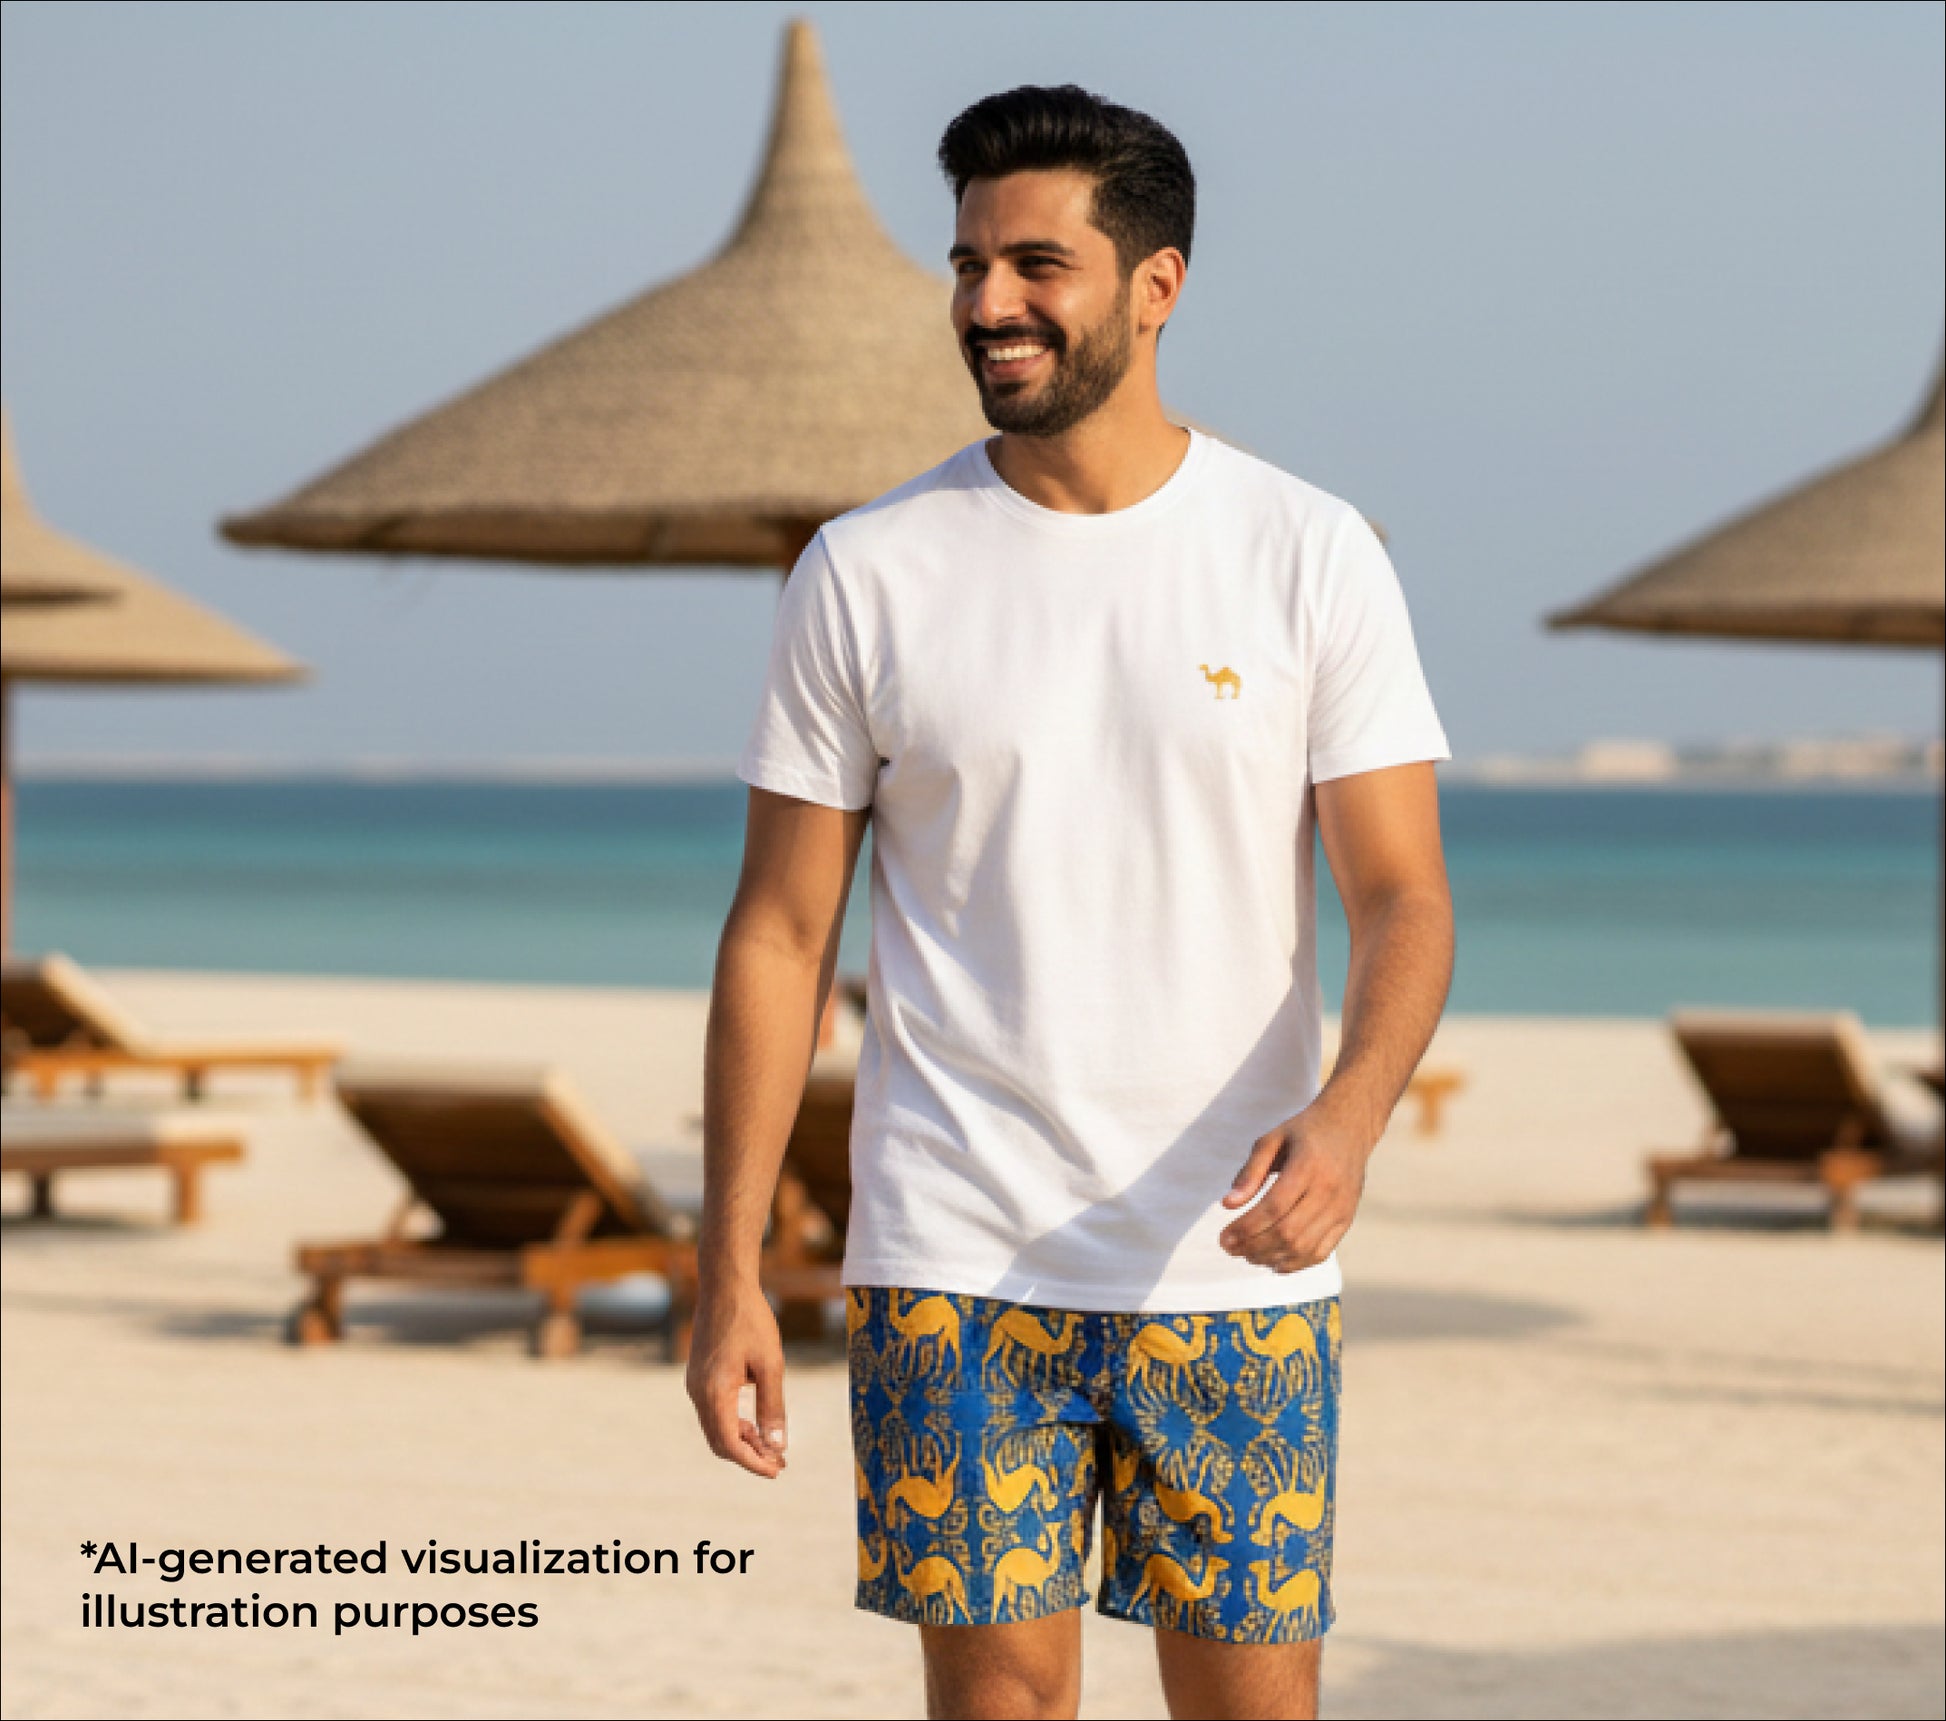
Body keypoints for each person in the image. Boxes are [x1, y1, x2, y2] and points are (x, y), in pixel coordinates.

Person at [689, 82, 1455, 1721]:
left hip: (1228, 1266)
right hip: (950, 1253)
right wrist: (728, 1264)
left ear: (1155, 284)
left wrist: (1348, 1121)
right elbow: (775, 931)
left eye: (1035, 263)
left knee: (1253, 1707)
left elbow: (1400, 896)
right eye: (967, 264)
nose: (986, 302)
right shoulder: (864, 569)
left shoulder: (1307, 552)